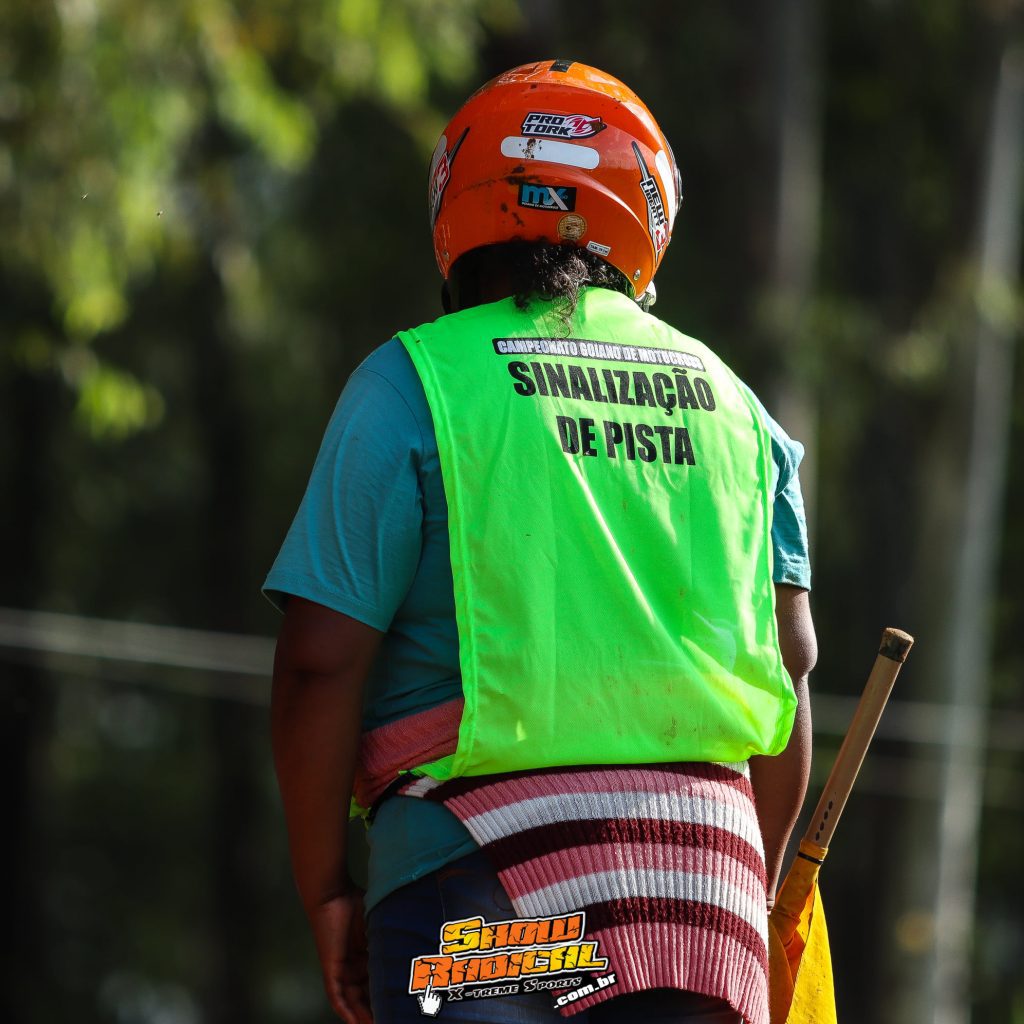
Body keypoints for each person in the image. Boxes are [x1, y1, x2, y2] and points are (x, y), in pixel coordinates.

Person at [267, 61, 815, 1024]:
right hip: (704, 911)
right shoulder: (741, 408)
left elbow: (319, 661)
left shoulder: (413, 384)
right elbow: (792, 662)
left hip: (482, 910)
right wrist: (747, 895)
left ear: (456, 207)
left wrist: (326, 891)